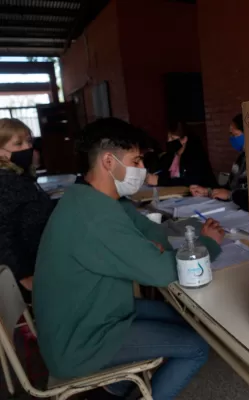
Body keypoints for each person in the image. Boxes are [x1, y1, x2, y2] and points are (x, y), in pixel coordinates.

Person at [33, 118, 225, 400]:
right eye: (135, 161)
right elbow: (162, 271)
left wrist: (152, 247)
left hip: (98, 314)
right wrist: (209, 245)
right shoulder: (95, 217)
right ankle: (124, 384)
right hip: (82, 341)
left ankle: (121, 386)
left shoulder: (94, 198)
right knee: (197, 346)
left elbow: (152, 232)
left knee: (184, 319)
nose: (141, 169)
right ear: (109, 161)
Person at [0, 119, 53, 302]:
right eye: (18, 143)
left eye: (29, 141)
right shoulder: (5, 183)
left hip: (41, 263)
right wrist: (23, 276)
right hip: (27, 274)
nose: (27, 147)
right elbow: (3, 236)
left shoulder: (20, 176)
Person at [190, 114, 248, 211]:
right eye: (231, 134)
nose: (232, 138)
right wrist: (208, 192)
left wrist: (230, 195)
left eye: (235, 135)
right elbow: (229, 188)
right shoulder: (241, 159)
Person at [145, 123, 217, 188]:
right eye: (168, 138)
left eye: (172, 138)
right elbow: (164, 174)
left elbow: (191, 181)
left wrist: (160, 181)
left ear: (184, 139)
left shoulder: (195, 155)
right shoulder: (170, 155)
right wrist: (154, 177)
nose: (169, 141)